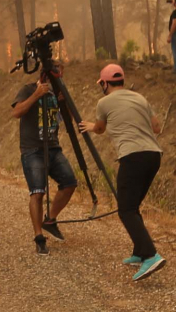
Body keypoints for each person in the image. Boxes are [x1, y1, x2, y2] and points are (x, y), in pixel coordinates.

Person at [80, 64, 165, 281]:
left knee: (126, 210)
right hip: (153, 155)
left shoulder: (104, 102)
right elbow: (157, 128)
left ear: (105, 83)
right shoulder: (140, 98)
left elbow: (100, 128)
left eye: (102, 84)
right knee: (133, 205)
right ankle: (139, 252)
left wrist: (90, 126)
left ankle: (150, 255)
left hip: (132, 156)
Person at [10, 59, 77, 255]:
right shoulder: (28, 88)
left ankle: (50, 219)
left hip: (54, 148)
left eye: (61, 76)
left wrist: (64, 102)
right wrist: (37, 95)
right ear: (45, 75)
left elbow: (68, 121)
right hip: (32, 149)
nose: (59, 79)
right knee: (38, 193)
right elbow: (17, 112)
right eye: (57, 75)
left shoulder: (57, 94)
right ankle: (39, 237)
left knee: (70, 183)